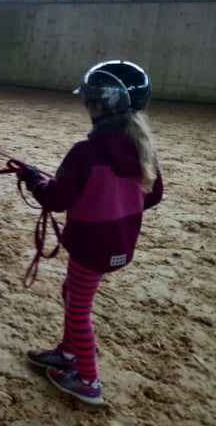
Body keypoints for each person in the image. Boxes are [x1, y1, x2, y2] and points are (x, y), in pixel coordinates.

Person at [17, 60, 164, 405]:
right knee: (71, 293)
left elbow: (56, 199)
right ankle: (67, 354)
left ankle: (87, 380)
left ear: (101, 104)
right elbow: (153, 195)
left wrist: (33, 179)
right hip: (117, 244)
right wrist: (116, 207)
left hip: (91, 247)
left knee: (78, 309)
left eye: (90, 100)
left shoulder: (85, 152)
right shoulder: (142, 148)